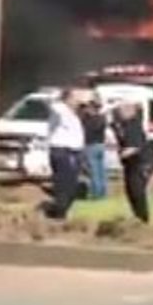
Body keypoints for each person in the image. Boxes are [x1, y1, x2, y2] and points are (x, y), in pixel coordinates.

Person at [41, 88, 86, 220]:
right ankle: (58, 213)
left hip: (74, 152)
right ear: (68, 99)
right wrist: (57, 96)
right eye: (75, 98)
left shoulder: (74, 114)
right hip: (62, 151)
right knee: (64, 184)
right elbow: (49, 102)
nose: (78, 101)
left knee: (72, 186)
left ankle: (58, 211)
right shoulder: (60, 109)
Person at [111, 99, 153, 224]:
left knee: (137, 192)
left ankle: (142, 219)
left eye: (121, 110)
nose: (118, 112)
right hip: (131, 164)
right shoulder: (125, 125)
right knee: (131, 192)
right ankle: (138, 217)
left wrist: (121, 154)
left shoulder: (132, 125)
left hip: (138, 163)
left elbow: (134, 147)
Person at [80, 93, 110, 200]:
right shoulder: (102, 118)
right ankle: (103, 192)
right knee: (101, 170)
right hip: (100, 145)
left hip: (91, 145)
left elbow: (85, 132)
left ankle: (96, 194)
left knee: (93, 172)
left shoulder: (88, 120)